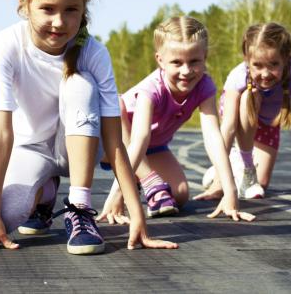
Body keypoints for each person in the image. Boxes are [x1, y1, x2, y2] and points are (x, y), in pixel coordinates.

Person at [0, 0, 177, 254]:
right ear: (23, 3)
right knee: (2, 213)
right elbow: (0, 132)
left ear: (84, 8)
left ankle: (78, 209)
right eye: (48, 9)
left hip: (79, 149)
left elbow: (114, 140)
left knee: (78, 84)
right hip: (31, 149)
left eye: (70, 10)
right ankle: (45, 191)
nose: (59, 22)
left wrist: (138, 217)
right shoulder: (6, 44)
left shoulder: (94, 53)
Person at [96, 16, 255, 223]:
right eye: (176, 63)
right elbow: (139, 139)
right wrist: (119, 193)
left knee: (179, 195)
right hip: (113, 144)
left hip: (154, 148)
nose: (186, 71)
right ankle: (145, 180)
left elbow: (213, 137)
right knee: (117, 105)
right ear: (160, 60)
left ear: (205, 56)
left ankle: (143, 180)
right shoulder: (151, 88)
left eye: (194, 61)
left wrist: (230, 190)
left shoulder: (205, 86)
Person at [203, 22, 291, 200]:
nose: (265, 74)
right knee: (251, 96)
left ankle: (236, 165)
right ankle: (243, 168)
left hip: (267, 122)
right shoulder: (238, 77)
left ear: (286, 59)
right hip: (238, 117)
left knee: (262, 184)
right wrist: (219, 183)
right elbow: (228, 129)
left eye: (273, 64)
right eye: (257, 65)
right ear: (246, 60)